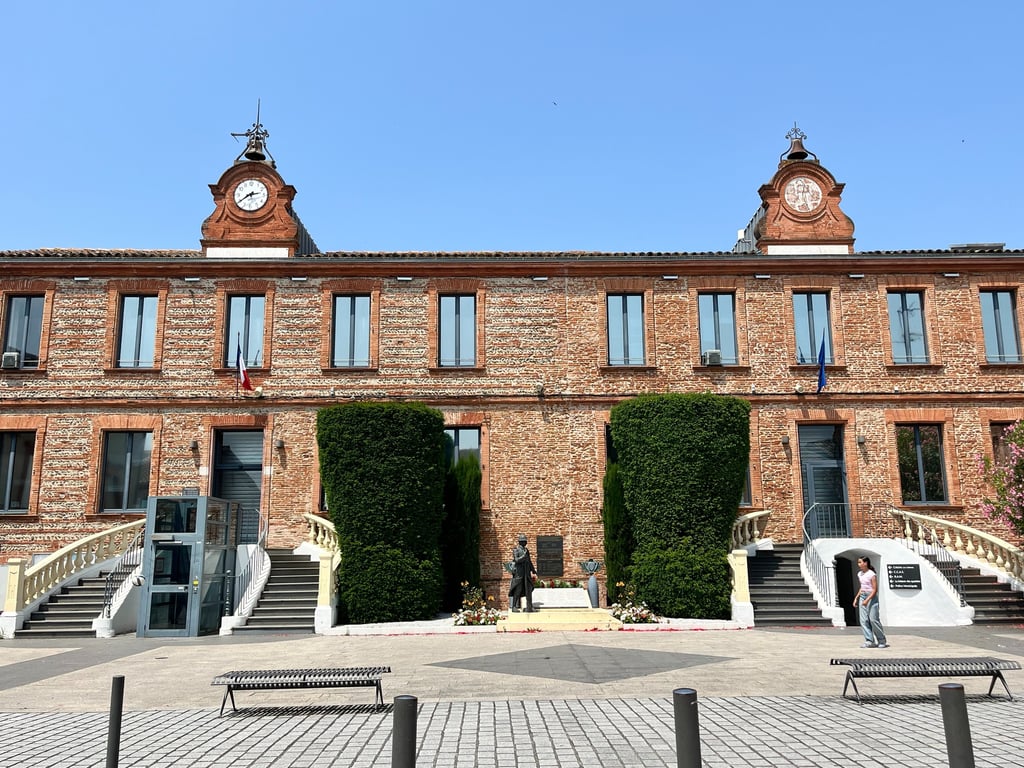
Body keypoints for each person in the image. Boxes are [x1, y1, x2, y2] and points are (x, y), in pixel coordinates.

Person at [854, 555, 888, 648]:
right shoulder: (859, 574)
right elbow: (862, 587)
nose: (859, 564)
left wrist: (867, 600)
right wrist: (856, 598)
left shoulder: (871, 574)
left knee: (873, 619)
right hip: (863, 596)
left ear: (866, 563)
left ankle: (881, 640)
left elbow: (874, 589)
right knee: (864, 620)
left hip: (871, 597)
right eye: (858, 562)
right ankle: (869, 640)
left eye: (860, 562)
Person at [508, 534, 538, 612]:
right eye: (523, 541)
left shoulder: (526, 550)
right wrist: (523, 557)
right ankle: (514, 606)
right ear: (520, 542)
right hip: (519, 573)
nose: (525, 543)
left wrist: (533, 570)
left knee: (528, 589)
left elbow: (529, 561)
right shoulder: (516, 550)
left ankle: (529, 607)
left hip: (526, 572)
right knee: (518, 589)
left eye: (525, 541)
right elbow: (516, 560)